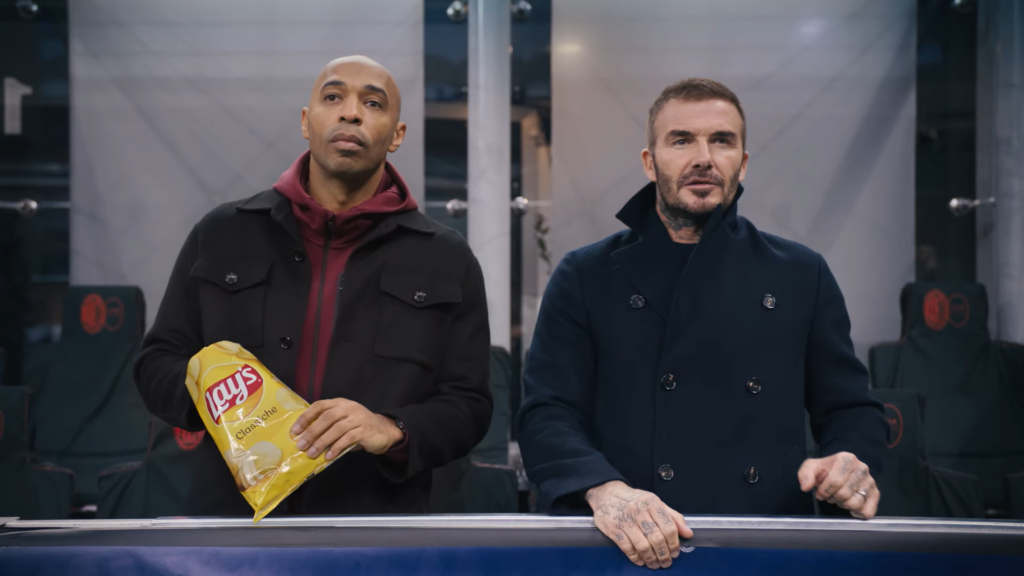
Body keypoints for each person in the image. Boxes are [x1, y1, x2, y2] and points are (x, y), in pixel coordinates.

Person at [517, 78, 888, 570]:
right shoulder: (586, 274)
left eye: (722, 140)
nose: (703, 157)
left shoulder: (801, 272)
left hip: (763, 543)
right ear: (650, 162)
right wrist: (604, 491)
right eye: (681, 140)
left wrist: (847, 460)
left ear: (743, 162)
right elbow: (547, 413)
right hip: (628, 544)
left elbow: (850, 410)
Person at [135, 56, 492, 515]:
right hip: (233, 527)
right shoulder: (221, 233)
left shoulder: (446, 257)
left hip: (376, 531)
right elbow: (156, 363)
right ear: (307, 122)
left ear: (397, 134)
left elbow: (470, 404)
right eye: (333, 97)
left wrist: (392, 428)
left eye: (373, 102)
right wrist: (219, 397)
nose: (350, 112)